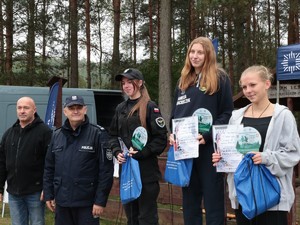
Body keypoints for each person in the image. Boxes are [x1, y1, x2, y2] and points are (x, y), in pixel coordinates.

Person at [212, 65, 300, 225]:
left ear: (267, 84)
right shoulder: (236, 117)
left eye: (252, 85)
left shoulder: (282, 115)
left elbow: (293, 153)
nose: (248, 90)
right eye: (244, 87)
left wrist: (266, 157)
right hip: (244, 194)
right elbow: (233, 150)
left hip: (272, 195)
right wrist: (222, 157)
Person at [169, 36, 234, 225]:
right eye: (192, 52)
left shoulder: (220, 78)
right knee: (190, 204)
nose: (195, 56)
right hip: (186, 152)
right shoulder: (183, 81)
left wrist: (207, 136)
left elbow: (226, 113)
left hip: (209, 152)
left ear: (208, 55)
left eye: (200, 52)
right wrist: (172, 134)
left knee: (214, 204)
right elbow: (174, 115)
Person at [109, 68, 168, 225]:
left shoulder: (150, 107)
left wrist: (142, 152)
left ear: (140, 83)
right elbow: (112, 135)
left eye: (130, 82)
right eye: (123, 83)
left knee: (146, 219)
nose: (126, 86)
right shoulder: (120, 108)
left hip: (146, 174)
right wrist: (116, 152)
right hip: (127, 173)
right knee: (132, 218)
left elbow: (161, 139)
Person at [43, 95, 114, 225]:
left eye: (79, 107)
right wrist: (48, 194)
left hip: (87, 203)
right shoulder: (56, 135)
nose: (75, 111)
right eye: (71, 108)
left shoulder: (98, 134)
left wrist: (100, 201)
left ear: (85, 110)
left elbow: (106, 171)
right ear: (65, 111)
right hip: (62, 202)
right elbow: (49, 168)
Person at [0, 96, 52, 225]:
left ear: (34, 110)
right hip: (13, 193)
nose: (22, 111)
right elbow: (1, 162)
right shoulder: (9, 133)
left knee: (37, 223)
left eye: (26, 108)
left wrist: (48, 188)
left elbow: (51, 163)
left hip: (35, 192)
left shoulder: (45, 132)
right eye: (19, 108)